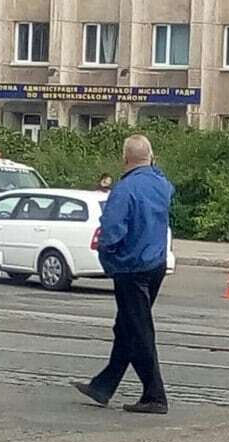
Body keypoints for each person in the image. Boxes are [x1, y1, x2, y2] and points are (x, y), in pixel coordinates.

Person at [72, 134, 174, 415]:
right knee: (127, 327)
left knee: (139, 330)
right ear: (151, 157)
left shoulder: (125, 190)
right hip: (156, 265)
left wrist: (109, 259)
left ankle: (155, 395)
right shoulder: (161, 184)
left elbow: (111, 232)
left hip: (131, 268)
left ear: (124, 158)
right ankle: (103, 385)